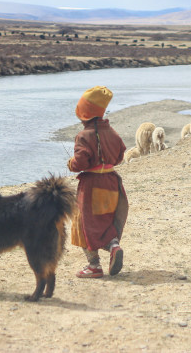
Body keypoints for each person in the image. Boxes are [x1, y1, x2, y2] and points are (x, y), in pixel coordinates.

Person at [67, 86, 129, 278]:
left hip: (92, 185)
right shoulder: (112, 132)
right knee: (105, 220)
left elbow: (79, 163)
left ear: (84, 112)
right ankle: (113, 246)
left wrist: (71, 163)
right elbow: (119, 155)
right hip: (112, 182)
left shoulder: (83, 136)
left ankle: (94, 266)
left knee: (85, 225)